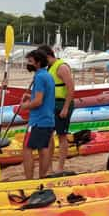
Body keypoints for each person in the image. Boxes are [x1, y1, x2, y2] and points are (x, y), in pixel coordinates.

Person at [38, 45, 75, 174]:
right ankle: (49, 167)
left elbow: (71, 88)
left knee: (62, 136)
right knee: (49, 136)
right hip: (51, 105)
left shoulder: (62, 67)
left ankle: (60, 167)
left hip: (62, 104)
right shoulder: (48, 68)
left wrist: (65, 108)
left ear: (47, 56)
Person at [20, 49, 55, 179]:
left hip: (38, 119)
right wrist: (30, 95)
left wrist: (25, 106)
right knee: (43, 148)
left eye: (30, 61)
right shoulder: (47, 75)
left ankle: (30, 178)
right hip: (47, 118)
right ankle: (42, 177)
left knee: (27, 148)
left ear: (38, 63)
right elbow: (43, 96)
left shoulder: (40, 77)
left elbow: (38, 101)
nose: (28, 64)